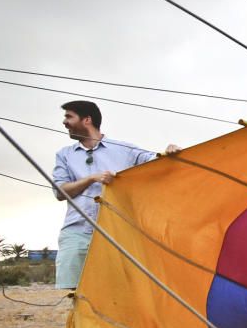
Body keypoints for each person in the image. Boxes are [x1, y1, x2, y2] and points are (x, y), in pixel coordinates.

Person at [52, 100, 180, 290]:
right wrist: (91, 179)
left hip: (117, 230)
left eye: (69, 116)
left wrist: (170, 152)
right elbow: (60, 192)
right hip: (78, 232)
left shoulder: (123, 149)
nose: (64, 122)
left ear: (87, 120)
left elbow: (157, 162)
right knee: (78, 292)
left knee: (121, 289)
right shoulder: (65, 155)